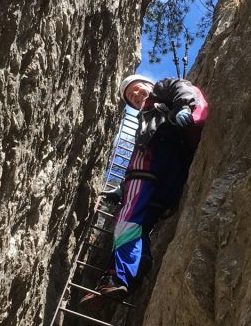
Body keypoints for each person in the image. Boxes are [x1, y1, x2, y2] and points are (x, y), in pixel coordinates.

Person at [81, 73, 208, 304]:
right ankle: (139, 264)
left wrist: (185, 107)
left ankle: (118, 277)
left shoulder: (161, 91)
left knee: (127, 219)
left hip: (150, 164)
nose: (136, 95)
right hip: (173, 171)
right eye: (131, 97)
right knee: (141, 224)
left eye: (137, 89)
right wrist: (122, 187)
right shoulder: (151, 112)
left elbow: (181, 88)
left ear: (149, 84)